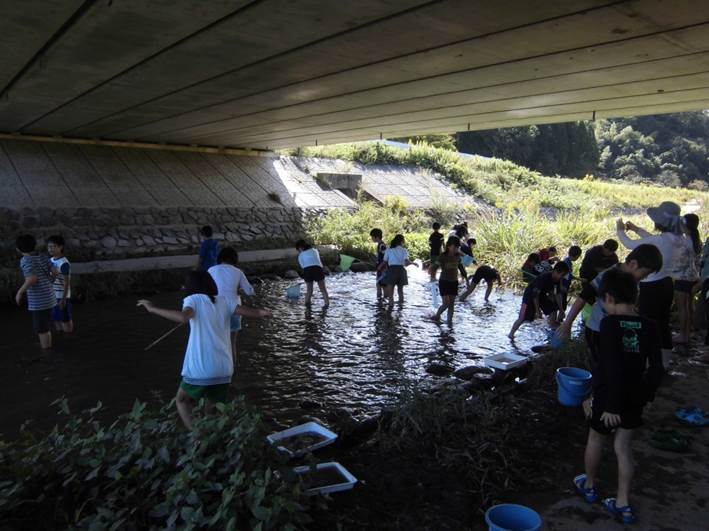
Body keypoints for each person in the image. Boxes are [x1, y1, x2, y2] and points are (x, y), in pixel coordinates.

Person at [573, 268, 663, 526]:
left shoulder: (609, 324)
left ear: (609, 297)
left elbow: (610, 366)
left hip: (608, 398)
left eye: (603, 301)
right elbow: (656, 368)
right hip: (635, 396)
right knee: (623, 448)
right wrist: (646, 396)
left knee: (595, 438)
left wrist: (609, 405)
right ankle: (622, 502)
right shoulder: (650, 326)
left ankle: (589, 486)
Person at [137, 271, 270, 429]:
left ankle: (196, 437)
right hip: (224, 369)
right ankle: (212, 441)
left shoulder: (192, 299)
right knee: (212, 412)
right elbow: (255, 313)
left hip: (201, 368)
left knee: (182, 401)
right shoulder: (225, 301)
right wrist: (267, 312)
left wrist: (152, 308)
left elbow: (183, 317)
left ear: (190, 286)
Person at [556, 244, 663, 366]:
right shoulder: (608, 275)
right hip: (598, 329)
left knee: (615, 362)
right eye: (644, 274)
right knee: (601, 363)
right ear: (633, 264)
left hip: (618, 329)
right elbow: (584, 296)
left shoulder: (633, 280)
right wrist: (568, 323)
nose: (644, 278)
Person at [617, 202, 684, 367]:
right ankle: (665, 361)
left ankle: (648, 362)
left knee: (647, 324)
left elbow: (629, 244)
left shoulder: (659, 241)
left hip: (651, 287)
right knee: (662, 322)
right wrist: (636, 229)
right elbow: (652, 240)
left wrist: (619, 229)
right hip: (667, 284)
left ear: (659, 222)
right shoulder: (678, 239)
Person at [208, 247, 254, 359]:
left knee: (216, 343)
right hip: (234, 309)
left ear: (220, 257)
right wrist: (239, 290)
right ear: (234, 259)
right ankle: (232, 371)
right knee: (232, 343)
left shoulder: (211, 270)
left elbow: (206, 290)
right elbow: (250, 291)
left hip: (216, 309)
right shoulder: (238, 272)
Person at [14, 234, 57, 350]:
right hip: (50, 297)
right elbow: (55, 271)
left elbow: (32, 279)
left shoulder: (25, 260)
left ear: (18, 249)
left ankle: (46, 350)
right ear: (34, 246)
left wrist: (20, 292)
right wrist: (50, 281)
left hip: (39, 301)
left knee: (42, 328)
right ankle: (47, 344)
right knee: (46, 325)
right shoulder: (42, 257)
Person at [508, 261, 569, 338]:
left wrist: (561, 310)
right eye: (562, 275)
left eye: (564, 276)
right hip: (529, 296)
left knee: (553, 309)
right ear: (556, 271)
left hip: (542, 295)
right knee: (522, 318)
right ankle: (511, 334)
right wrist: (538, 310)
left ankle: (552, 328)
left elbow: (557, 294)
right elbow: (535, 295)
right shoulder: (544, 278)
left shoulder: (557, 281)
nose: (562, 277)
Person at [672, 213, 701, 345]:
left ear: (685, 226)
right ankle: (689, 332)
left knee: (682, 308)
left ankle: (683, 335)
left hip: (683, 278)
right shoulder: (696, 240)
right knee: (690, 306)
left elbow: (681, 263)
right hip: (694, 277)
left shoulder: (685, 242)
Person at [380, 234, 417, 308]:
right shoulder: (404, 250)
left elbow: (384, 261)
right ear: (402, 241)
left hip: (392, 270)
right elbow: (406, 262)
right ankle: (400, 310)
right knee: (400, 291)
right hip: (401, 270)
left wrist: (379, 267)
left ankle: (391, 308)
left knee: (391, 292)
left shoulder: (389, 250)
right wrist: (413, 263)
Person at [47, 235, 74, 333]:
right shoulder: (50, 260)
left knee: (65, 319)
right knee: (56, 319)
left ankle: (69, 338)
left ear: (60, 247)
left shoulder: (63, 263)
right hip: (53, 296)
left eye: (53, 246)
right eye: (49, 246)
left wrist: (63, 299)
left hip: (62, 296)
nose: (50, 249)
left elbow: (67, 283)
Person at [433, 236, 463, 322]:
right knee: (446, 303)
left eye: (457, 247)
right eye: (454, 247)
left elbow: (461, 268)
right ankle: (437, 316)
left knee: (452, 304)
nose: (456, 249)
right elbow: (434, 267)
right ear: (449, 246)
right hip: (444, 281)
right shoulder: (443, 256)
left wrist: (466, 279)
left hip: (454, 282)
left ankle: (449, 322)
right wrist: (433, 277)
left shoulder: (458, 256)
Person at [295, 240, 330, 307]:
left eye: (298, 249)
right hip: (317, 268)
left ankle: (307, 306)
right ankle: (326, 305)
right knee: (323, 289)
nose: (298, 251)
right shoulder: (315, 250)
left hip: (307, 270)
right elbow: (319, 261)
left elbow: (302, 266)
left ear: (301, 247)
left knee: (309, 290)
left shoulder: (300, 255)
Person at [560, 245, 583, 310]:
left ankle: (558, 319)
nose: (578, 258)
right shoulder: (567, 262)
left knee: (562, 305)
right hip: (563, 286)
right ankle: (556, 319)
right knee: (560, 305)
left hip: (565, 286)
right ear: (577, 255)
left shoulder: (567, 261)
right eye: (578, 256)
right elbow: (562, 275)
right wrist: (561, 286)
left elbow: (568, 275)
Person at [370, 228, 387, 297]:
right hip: (381, 269)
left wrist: (380, 266)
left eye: (372, 237)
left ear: (377, 237)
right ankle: (380, 303)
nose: (371, 238)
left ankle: (382, 303)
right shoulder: (380, 244)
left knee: (382, 286)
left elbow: (386, 257)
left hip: (383, 270)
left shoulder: (382, 245)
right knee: (379, 285)